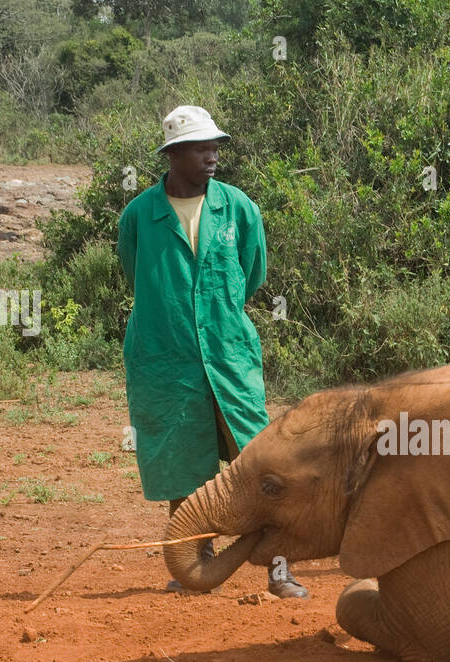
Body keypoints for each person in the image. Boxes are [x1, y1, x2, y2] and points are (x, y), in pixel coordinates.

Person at [117, 105, 307, 597]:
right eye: (201, 148)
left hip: (229, 357)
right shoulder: (140, 215)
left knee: (263, 463)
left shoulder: (239, 208)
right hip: (164, 359)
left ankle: (280, 570)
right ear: (173, 154)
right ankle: (194, 567)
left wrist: (214, 315)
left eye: (214, 146)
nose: (212, 156)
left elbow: (253, 274)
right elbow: (135, 273)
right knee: (181, 466)